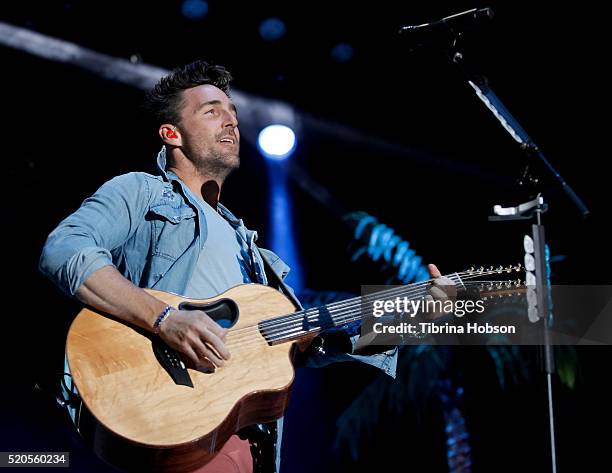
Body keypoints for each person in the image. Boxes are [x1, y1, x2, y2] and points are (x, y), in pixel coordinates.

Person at [39, 60, 454, 473]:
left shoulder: (253, 251)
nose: (231, 121)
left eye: (233, 112)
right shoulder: (141, 190)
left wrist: (412, 320)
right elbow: (64, 250)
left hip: (245, 441)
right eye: (211, 110)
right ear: (172, 134)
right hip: (170, 417)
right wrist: (164, 319)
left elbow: (309, 346)